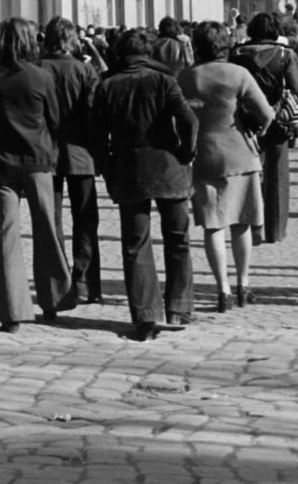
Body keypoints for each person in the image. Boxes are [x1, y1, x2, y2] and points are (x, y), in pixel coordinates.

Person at [89, 28, 199, 341]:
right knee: (178, 238)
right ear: (147, 53)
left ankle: (146, 316)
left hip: (129, 168)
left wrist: (107, 167)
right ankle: (179, 306)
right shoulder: (165, 81)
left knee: (136, 245)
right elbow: (190, 120)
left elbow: (97, 137)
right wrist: (186, 153)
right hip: (169, 166)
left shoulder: (107, 85)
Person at [0, 17, 74, 331]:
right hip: (39, 160)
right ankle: (53, 300)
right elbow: (55, 119)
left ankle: (12, 311)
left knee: (5, 236)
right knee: (47, 230)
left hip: (2, 163)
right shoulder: (40, 76)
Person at [179, 21, 272, 311]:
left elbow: (179, 117)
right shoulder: (238, 74)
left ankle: (223, 291)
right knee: (242, 222)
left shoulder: (185, 77)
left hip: (203, 157)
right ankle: (243, 285)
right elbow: (266, 113)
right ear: (224, 44)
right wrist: (256, 131)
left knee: (213, 225)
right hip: (240, 155)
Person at [41, 17, 103, 305]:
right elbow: (94, 113)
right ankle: (85, 284)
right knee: (86, 221)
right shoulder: (84, 70)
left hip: (46, 153)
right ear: (71, 40)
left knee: (51, 222)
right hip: (81, 153)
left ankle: (57, 285)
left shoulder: (38, 69)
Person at [229, 12, 298, 245]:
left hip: (245, 121)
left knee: (249, 176)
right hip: (278, 120)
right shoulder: (284, 54)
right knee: (277, 177)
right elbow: (296, 86)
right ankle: (275, 231)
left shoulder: (236, 54)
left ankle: (252, 230)